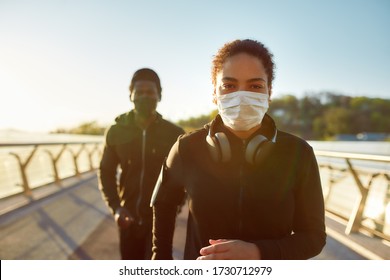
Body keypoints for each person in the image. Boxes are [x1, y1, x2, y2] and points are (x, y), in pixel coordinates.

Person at [151, 39, 326, 260]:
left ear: (269, 92)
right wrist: (161, 260)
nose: (241, 96)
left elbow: (314, 237)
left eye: (255, 86)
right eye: (229, 86)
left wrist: (258, 252)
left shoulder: (299, 153)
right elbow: (163, 204)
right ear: (214, 93)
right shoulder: (187, 148)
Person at [98, 68, 184, 260]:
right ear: (131, 95)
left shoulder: (174, 134)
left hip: (161, 220)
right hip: (127, 218)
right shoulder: (116, 131)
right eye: (139, 92)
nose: (145, 96)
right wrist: (116, 208)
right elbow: (106, 172)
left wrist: (175, 208)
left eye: (150, 92)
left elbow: (184, 177)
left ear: (159, 96)